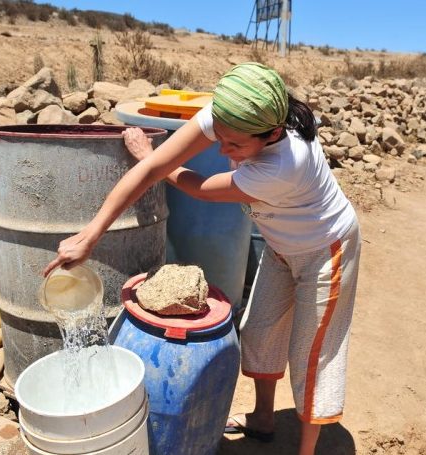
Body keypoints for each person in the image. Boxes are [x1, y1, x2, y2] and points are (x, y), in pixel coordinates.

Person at [44, 62, 360, 455]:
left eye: (235, 146)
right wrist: (90, 235)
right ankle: (263, 421)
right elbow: (156, 168)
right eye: (220, 138)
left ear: (273, 133)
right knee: (259, 331)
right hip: (282, 246)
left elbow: (198, 187)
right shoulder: (234, 113)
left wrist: (151, 157)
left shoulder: (284, 165)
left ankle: (306, 450)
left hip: (325, 249)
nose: (224, 150)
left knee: (313, 353)